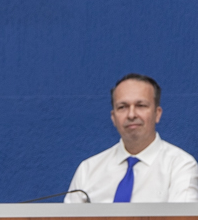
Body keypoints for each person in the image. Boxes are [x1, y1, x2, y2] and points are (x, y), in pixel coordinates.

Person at [66, 74, 198, 203]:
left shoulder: (180, 166)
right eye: (122, 107)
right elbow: (68, 218)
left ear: (157, 114)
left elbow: (183, 218)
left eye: (141, 105)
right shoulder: (88, 170)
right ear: (113, 117)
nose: (131, 114)